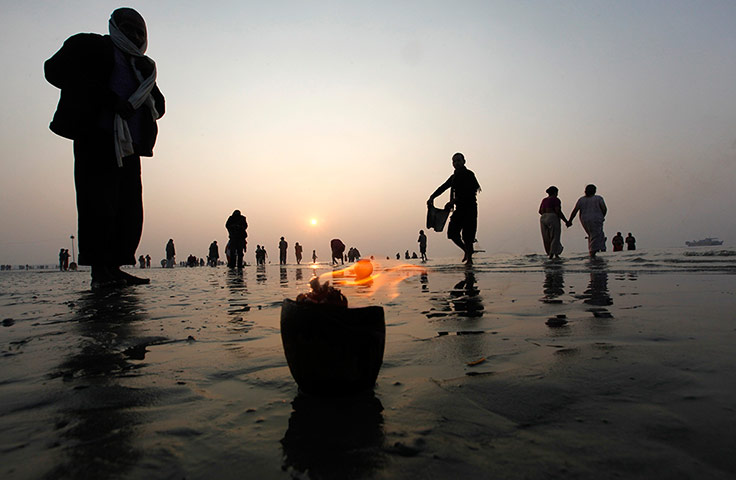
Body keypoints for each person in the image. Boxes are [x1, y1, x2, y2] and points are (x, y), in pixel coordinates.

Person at [45, 8, 165, 289]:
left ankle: (114, 267)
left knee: (129, 209)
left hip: (130, 147)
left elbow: (159, 106)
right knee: (98, 204)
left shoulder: (142, 66)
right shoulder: (90, 46)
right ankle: (100, 271)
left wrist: (145, 87)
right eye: (128, 28)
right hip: (97, 138)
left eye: (140, 32)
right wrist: (108, 99)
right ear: (114, 26)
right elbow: (54, 70)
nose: (135, 36)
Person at [427, 152, 481, 265]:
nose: (456, 163)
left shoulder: (469, 174)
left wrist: (453, 201)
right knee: (452, 233)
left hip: (470, 209)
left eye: (458, 160)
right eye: (454, 161)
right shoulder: (453, 177)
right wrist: (432, 197)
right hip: (459, 210)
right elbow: (443, 187)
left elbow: (470, 192)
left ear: (464, 161)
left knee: (468, 236)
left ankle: (470, 261)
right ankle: (466, 251)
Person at [568, 184, 607, 257]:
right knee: (596, 235)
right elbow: (604, 208)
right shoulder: (598, 198)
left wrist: (570, 220)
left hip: (584, 219)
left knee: (592, 235)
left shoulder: (581, 199)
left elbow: (575, 210)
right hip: (596, 218)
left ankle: (594, 251)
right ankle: (593, 252)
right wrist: (602, 216)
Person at [538, 186, 570, 259]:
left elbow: (540, 211)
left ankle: (550, 253)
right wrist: (566, 221)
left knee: (546, 237)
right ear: (555, 192)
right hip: (552, 217)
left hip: (543, 217)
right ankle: (553, 254)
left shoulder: (544, 200)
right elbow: (558, 211)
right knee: (555, 236)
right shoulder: (556, 200)